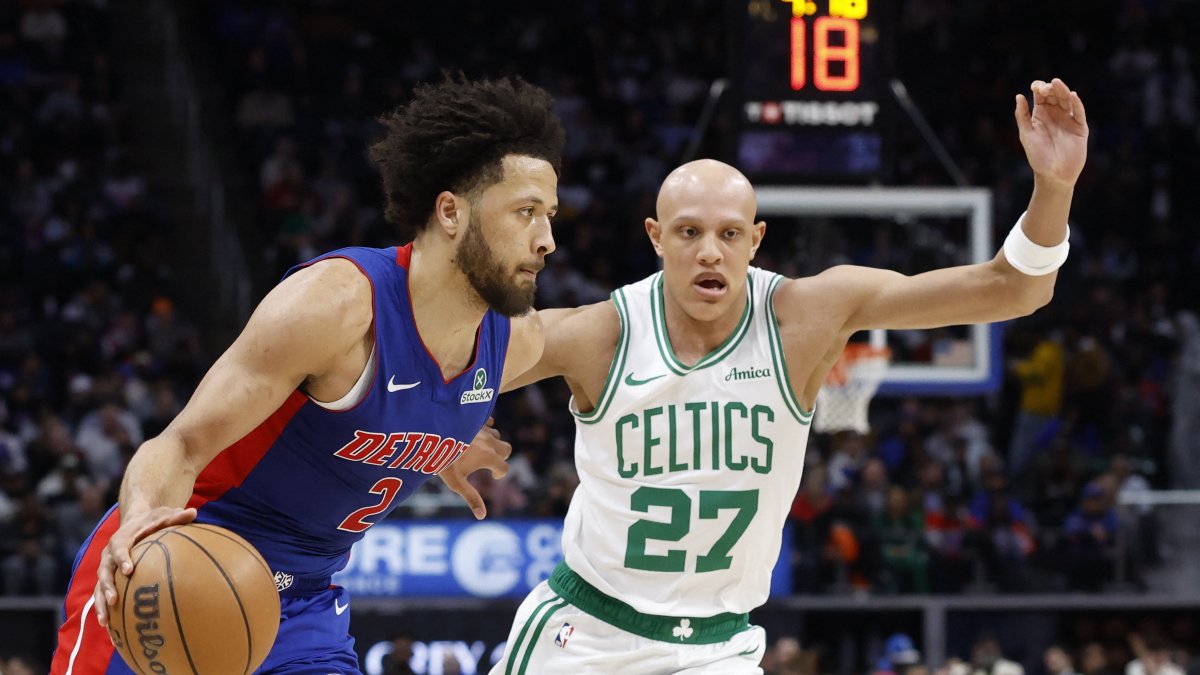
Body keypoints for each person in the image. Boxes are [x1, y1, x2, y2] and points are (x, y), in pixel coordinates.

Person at [492, 78, 1087, 674]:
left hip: (717, 647)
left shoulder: (806, 315)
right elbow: (438, 365)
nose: (709, 252)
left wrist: (1054, 187)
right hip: (586, 635)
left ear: (756, 240)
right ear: (656, 237)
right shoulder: (600, 334)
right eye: (689, 232)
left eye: (729, 234)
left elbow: (1015, 287)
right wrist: (445, 443)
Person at [51, 74, 565, 674]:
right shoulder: (337, 307)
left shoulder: (511, 343)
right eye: (525, 212)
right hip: (182, 565)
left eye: (550, 215)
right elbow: (180, 444)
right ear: (450, 211)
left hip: (300, 604)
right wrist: (141, 524)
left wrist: (439, 436)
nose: (547, 239)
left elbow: (602, 331)